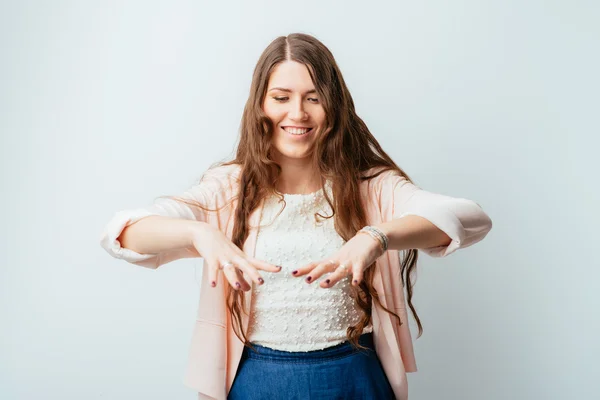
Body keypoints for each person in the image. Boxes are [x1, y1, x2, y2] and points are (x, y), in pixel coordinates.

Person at [99, 33, 493, 400]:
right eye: (281, 97)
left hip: (355, 377)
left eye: (313, 98)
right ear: (260, 105)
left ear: (333, 106)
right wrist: (201, 234)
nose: (298, 113)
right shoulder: (229, 188)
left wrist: (376, 237)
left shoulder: (370, 186)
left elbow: (470, 219)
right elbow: (125, 234)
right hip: (257, 381)